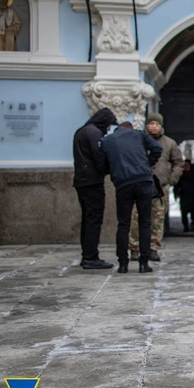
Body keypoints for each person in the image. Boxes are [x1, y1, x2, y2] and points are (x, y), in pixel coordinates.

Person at [101, 121, 162, 274]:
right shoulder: (139, 135)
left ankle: (123, 264)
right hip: (143, 182)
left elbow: (103, 161)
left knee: (123, 224)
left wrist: (115, 170)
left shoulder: (108, 140)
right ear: (131, 128)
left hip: (123, 184)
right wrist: (147, 164)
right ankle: (144, 263)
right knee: (145, 223)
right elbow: (157, 148)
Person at [129, 113, 183, 262]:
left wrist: (172, 179)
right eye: (151, 123)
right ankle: (134, 248)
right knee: (136, 217)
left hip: (160, 187)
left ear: (161, 126)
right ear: (146, 126)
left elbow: (179, 163)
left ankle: (154, 248)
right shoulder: (139, 141)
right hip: (140, 184)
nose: (154, 126)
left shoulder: (169, 143)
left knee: (158, 219)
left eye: (157, 124)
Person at [72, 108, 117, 270]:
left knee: (87, 219)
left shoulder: (82, 131)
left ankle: (87, 255)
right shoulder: (94, 133)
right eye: (109, 125)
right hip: (92, 182)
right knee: (93, 220)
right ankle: (91, 257)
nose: (109, 129)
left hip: (81, 181)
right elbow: (100, 159)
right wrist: (110, 168)